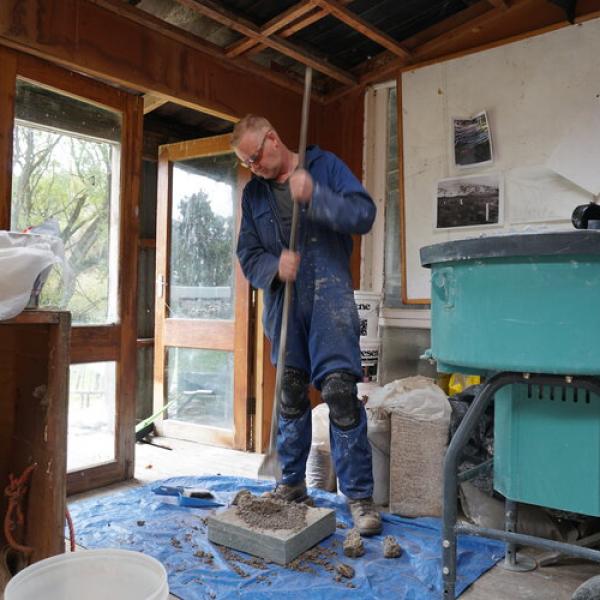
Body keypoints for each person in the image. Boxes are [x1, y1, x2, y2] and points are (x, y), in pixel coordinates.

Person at [233, 115, 381, 536]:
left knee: (339, 391)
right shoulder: (255, 195)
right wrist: (274, 265)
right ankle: (291, 484)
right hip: (285, 299)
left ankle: (359, 497)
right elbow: (248, 252)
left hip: (329, 289)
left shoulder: (325, 167)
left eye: (255, 157)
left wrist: (316, 196)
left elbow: (363, 214)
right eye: (247, 162)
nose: (254, 167)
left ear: (273, 140)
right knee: (292, 393)